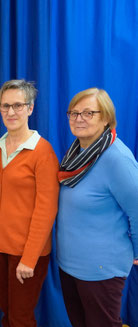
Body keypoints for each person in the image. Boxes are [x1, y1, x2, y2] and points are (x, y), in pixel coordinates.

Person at [56, 88, 138, 327]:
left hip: (101, 268)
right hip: (71, 264)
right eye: (73, 113)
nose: (79, 118)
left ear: (106, 119)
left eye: (88, 113)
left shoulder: (116, 158)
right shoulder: (76, 153)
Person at [0, 80, 59, 326]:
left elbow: (46, 210)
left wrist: (29, 258)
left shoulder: (42, 152)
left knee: (20, 317)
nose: (11, 112)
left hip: (27, 253)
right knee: (7, 313)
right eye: (5, 106)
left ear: (30, 108)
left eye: (17, 105)